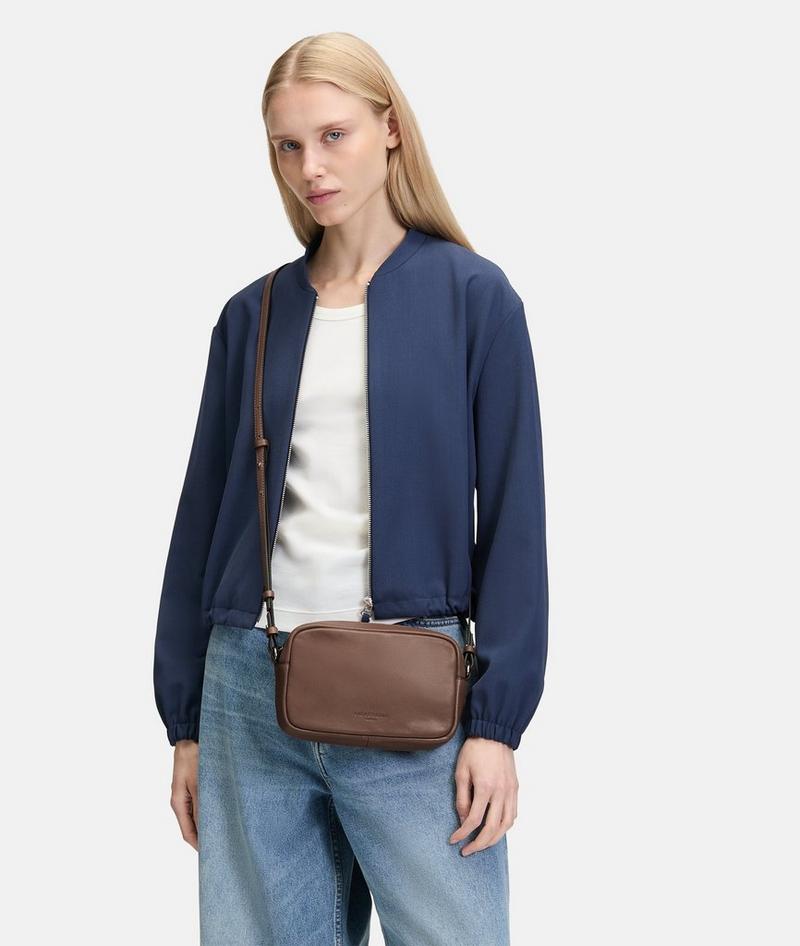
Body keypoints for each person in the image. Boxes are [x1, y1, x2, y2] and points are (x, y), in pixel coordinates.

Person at [153, 31, 548, 946]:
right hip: (248, 688)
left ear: (391, 128)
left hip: (410, 687)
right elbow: (201, 518)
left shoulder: (472, 298)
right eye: (288, 146)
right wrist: (187, 722)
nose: (310, 168)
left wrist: (497, 726)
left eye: (334, 136)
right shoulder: (253, 314)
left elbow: (515, 520)